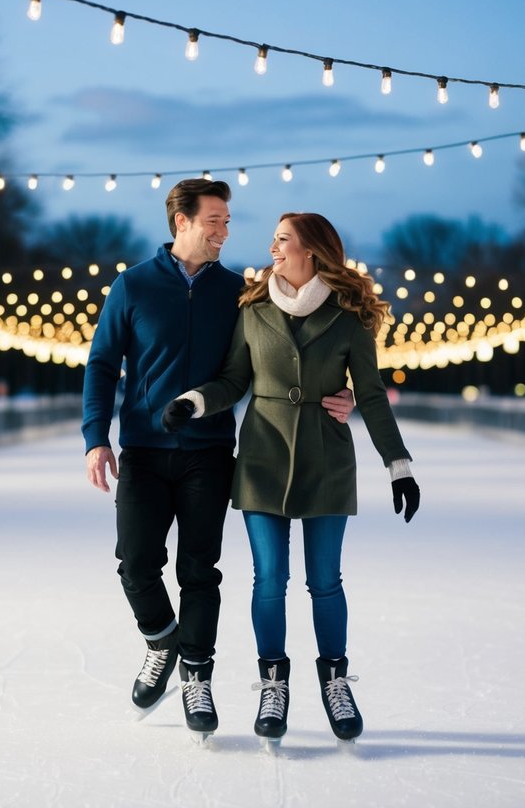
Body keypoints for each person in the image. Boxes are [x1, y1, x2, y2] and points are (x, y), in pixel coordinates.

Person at [82, 180, 355, 740]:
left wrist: (344, 390)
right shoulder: (131, 286)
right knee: (135, 562)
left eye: (228, 221)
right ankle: (162, 642)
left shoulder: (239, 293)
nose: (226, 231)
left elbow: (286, 350)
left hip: (209, 453)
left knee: (199, 572)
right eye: (215, 221)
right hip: (142, 451)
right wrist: (96, 436)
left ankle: (196, 677)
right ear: (181, 222)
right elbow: (102, 364)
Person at [162, 212, 420, 745]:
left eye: (283, 240)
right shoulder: (253, 309)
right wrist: (193, 403)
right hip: (263, 458)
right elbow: (234, 379)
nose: (273, 249)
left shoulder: (348, 317)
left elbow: (369, 395)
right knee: (270, 580)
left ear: (312, 251)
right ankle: (273, 683)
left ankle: (335, 682)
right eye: (275, 240)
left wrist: (398, 466)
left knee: (325, 581)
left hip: (327, 458)